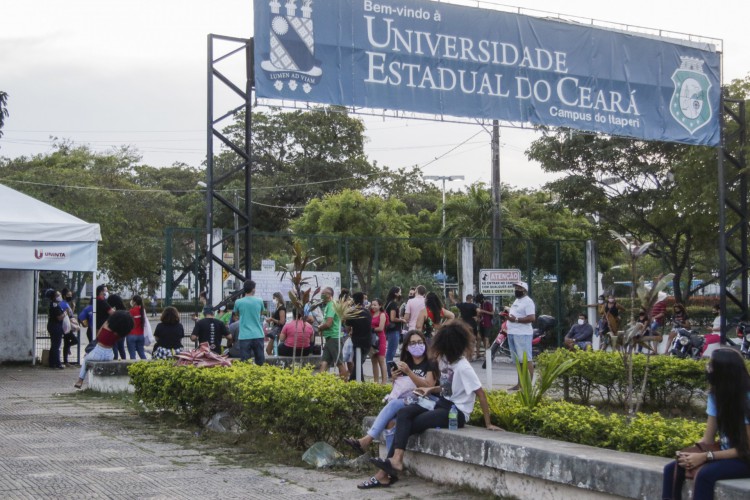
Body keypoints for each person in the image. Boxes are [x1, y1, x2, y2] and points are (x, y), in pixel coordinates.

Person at [361, 320, 501, 489]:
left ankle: (386, 471)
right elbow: (448, 387)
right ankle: (395, 462)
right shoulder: (445, 361)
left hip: (456, 412)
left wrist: (488, 423)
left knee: (408, 424)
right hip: (442, 403)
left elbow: (480, 393)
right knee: (404, 414)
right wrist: (431, 389)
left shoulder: (463, 367)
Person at [662, 348, 750, 500]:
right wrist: (689, 454)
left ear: (724, 371)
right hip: (728, 454)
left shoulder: (746, 399)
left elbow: (746, 448)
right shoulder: (716, 395)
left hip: (745, 458)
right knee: (673, 468)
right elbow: (707, 440)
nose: (707, 368)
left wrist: (706, 456)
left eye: (711, 365)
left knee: (705, 475)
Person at [343, 330, 438, 456]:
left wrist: (409, 373)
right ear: (407, 347)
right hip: (409, 401)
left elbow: (429, 387)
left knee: (394, 404)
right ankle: (389, 463)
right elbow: (401, 389)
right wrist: (395, 379)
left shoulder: (430, 363)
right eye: (413, 343)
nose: (417, 345)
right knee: (390, 423)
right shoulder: (406, 363)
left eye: (420, 342)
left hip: (427, 401)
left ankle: (367, 440)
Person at [74, 310, 135, 389]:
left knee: (86, 360)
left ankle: (80, 380)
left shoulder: (106, 326)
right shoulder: (120, 333)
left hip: (98, 351)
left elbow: (98, 335)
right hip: (110, 354)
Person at [507, 281, 536, 391]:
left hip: (522, 334)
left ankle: (528, 386)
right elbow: (515, 315)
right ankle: (520, 384)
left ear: (524, 290)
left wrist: (516, 320)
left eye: (519, 288)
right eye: (515, 288)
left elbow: (532, 318)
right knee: (518, 360)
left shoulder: (528, 302)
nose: (516, 290)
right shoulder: (517, 300)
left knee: (526, 359)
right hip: (512, 332)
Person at [317, 286, 348, 379]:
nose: (322, 295)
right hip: (329, 338)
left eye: (324, 293)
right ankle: (321, 383)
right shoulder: (328, 305)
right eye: (321, 293)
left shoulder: (331, 305)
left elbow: (329, 323)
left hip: (334, 337)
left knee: (339, 362)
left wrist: (320, 327)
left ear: (330, 295)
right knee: (324, 361)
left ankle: (345, 385)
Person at [234, 280, 266, 364]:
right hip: (258, 334)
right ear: (253, 289)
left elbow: (236, 314)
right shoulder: (259, 301)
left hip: (244, 335)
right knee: (260, 362)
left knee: (245, 362)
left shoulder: (238, 302)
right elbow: (261, 313)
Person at [346, 292, 372, 381]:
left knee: (357, 362)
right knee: (358, 362)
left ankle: (357, 382)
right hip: (367, 341)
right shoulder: (367, 312)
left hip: (357, 342)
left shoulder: (353, 312)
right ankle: (356, 381)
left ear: (353, 300)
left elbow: (347, 327)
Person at [449, 292, 480, 357]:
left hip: (464, 323)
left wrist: (451, 296)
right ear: (471, 299)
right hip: (472, 323)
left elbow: (454, 302)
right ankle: (472, 353)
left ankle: (465, 353)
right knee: (473, 339)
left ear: (466, 299)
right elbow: (479, 311)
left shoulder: (462, 305)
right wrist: (477, 317)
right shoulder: (473, 305)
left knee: (465, 338)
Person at [384, 287, 404, 364]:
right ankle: (389, 371)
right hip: (394, 330)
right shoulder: (393, 304)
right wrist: (401, 320)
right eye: (400, 292)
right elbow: (392, 318)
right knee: (391, 351)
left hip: (390, 329)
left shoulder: (388, 303)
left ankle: (389, 369)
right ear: (396, 293)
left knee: (390, 350)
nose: (400, 294)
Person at [59, 288, 80, 366]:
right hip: (66, 326)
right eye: (68, 295)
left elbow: (70, 314)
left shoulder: (67, 303)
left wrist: (73, 307)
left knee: (67, 342)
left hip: (68, 325)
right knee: (74, 341)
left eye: (71, 295)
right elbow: (67, 315)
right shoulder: (63, 304)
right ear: (64, 296)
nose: (70, 297)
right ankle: (66, 358)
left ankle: (66, 360)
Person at [46, 289, 65, 369]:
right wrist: (65, 314)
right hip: (56, 327)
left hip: (52, 326)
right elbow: (59, 318)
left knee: (54, 345)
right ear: (53, 297)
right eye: (57, 295)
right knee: (56, 345)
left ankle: (52, 363)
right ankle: (57, 363)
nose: (59, 296)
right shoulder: (55, 306)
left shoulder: (53, 305)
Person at [370, 298, 388, 384]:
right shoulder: (371, 314)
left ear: (380, 306)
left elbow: (381, 328)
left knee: (381, 360)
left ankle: (384, 382)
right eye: (372, 304)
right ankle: (376, 381)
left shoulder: (382, 314)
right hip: (372, 339)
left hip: (380, 339)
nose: (373, 306)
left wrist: (371, 329)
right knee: (373, 361)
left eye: (375, 305)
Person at [107, 294, 128, 360]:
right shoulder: (124, 310)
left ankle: (115, 360)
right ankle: (124, 361)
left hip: (114, 331)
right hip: (122, 332)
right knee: (121, 348)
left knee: (114, 347)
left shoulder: (113, 311)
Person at [127, 295, 148, 360]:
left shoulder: (131, 311)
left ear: (135, 302)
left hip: (131, 335)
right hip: (141, 335)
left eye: (132, 300)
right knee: (142, 353)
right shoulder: (142, 311)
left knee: (132, 355)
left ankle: (133, 368)